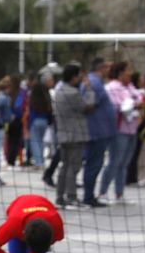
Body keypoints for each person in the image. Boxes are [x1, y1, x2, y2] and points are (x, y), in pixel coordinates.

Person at [99, 61, 142, 203]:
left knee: (124, 163)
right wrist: (133, 104)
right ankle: (102, 192)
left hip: (132, 128)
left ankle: (119, 194)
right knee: (115, 161)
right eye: (128, 70)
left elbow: (140, 98)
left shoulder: (130, 87)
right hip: (119, 130)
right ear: (120, 73)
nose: (130, 73)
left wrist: (135, 103)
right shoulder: (112, 87)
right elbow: (117, 106)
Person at [51, 63, 90, 209]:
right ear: (73, 77)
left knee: (64, 166)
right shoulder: (73, 93)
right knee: (73, 167)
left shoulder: (58, 91)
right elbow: (87, 106)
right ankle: (71, 197)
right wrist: (88, 90)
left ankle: (60, 196)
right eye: (79, 76)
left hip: (63, 133)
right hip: (75, 135)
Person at [81, 59, 112, 208]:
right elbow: (89, 105)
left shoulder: (95, 82)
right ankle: (88, 196)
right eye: (107, 67)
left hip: (98, 130)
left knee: (94, 164)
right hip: (96, 131)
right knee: (93, 164)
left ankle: (89, 195)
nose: (109, 71)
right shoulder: (94, 83)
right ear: (102, 68)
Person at [25, 72, 53, 170]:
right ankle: (41, 161)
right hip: (44, 120)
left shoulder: (34, 96)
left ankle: (38, 162)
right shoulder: (47, 95)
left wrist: (29, 124)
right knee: (41, 141)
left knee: (35, 142)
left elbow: (32, 110)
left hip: (35, 120)